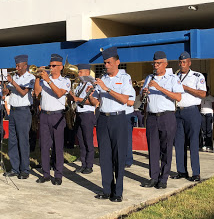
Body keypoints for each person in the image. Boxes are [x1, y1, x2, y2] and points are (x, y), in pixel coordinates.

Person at [88, 47, 135, 203]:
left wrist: (106, 89)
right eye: (104, 63)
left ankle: (118, 191)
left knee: (119, 156)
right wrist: (91, 94)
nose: (106, 65)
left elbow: (124, 99)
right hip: (103, 118)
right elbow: (95, 101)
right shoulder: (103, 78)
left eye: (109, 62)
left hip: (118, 119)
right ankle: (107, 190)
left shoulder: (125, 77)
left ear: (117, 62)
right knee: (105, 157)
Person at [140, 51, 183, 189]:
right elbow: (141, 98)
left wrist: (159, 88)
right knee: (152, 148)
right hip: (152, 116)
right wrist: (144, 94)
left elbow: (178, 97)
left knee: (166, 148)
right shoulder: (149, 78)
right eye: (154, 63)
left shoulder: (172, 78)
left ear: (165, 63)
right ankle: (153, 177)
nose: (155, 66)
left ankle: (163, 178)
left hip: (167, 116)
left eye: (158, 63)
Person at [34, 54, 70, 185]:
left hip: (57, 115)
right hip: (44, 115)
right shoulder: (43, 80)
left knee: (58, 146)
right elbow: (37, 92)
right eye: (50, 65)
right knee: (44, 146)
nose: (51, 67)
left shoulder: (65, 81)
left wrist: (48, 80)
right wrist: (38, 77)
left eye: (54, 66)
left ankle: (58, 175)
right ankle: (45, 174)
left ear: (61, 67)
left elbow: (59, 93)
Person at [172, 51, 207, 182]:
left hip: (192, 112)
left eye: (184, 62)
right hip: (178, 112)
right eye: (180, 62)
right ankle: (181, 171)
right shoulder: (174, 76)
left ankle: (196, 173)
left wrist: (185, 87)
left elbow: (203, 94)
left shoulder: (197, 76)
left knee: (192, 143)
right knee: (179, 143)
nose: (182, 64)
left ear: (189, 63)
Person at [3, 54, 35, 179]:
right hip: (13, 111)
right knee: (12, 141)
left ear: (25, 66)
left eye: (18, 66)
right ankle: (14, 168)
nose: (16, 67)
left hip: (23, 112)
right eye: (16, 65)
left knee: (23, 141)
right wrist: (5, 84)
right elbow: (6, 93)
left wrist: (12, 82)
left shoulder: (30, 77)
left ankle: (25, 169)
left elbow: (23, 92)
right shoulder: (14, 77)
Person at [69, 63, 96, 174]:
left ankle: (89, 165)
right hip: (79, 114)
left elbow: (93, 102)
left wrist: (77, 99)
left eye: (80, 72)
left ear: (87, 73)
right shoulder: (80, 85)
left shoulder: (92, 85)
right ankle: (83, 163)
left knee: (88, 140)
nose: (78, 74)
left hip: (87, 114)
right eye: (78, 72)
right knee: (81, 140)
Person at [200, 87, 214, 151]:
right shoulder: (201, 98)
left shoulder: (211, 98)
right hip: (202, 113)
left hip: (209, 114)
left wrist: (212, 112)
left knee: (209, 129)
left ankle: (209, 144)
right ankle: (203, 144)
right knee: (203, 130)